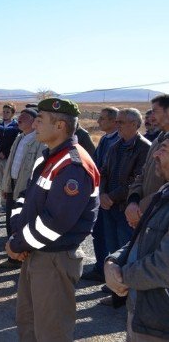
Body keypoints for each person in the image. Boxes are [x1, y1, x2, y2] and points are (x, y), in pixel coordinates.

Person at [6, 98, 100, 342]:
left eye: (40, 120)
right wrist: (17, 236)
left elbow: (55, 222)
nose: (34, 124)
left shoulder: (73, 165)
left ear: (60, 126)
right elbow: (24, 199)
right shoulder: (48, 157)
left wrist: (17, 245)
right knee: (28, 325)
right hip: (35, 253)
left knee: (51, 333)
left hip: (54, 259)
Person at [105, 140, 169, 341]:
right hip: (145, 315)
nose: (156, 154)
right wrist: (113, 261)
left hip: (160, 323)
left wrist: (121, 276)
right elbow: (141, 238)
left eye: (164, 149)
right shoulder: (164, 192)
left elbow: (163, 267)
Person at [98, 108, 151, 306]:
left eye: (121, 122)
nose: (117, 125)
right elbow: (103, 172)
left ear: (135, 125)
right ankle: (117, 292)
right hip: (109, 206)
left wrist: (111, 196)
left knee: (127, 252)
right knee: (113, 251)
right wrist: (103, 194)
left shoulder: (144, 148)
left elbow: (136, 180)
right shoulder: (115, 145)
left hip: (124, 209)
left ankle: (126, 296)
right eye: (117, 122)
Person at [0, 107, 44, 269]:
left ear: (34, 121)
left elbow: (36, 169)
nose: (19, 119)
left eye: (24, 117)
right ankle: (13, 255)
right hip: (12, 186)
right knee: (11, 221)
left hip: (25, 189)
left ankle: (20, 258)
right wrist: (5, 185)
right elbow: (10, 163)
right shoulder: (19, 138)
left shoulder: (40, 141)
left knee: (22, 223)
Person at [83, 107, 120, 282]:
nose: (98, 121)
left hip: (112, 198)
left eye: (102, 118)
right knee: (99, 233)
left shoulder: (120, 141)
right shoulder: (105, 138)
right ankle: (100, 268)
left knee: (113, 238)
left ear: (114, 121)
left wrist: (107, 194)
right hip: (99, 193)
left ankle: (111, 274)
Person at [126, 95, 169, 228]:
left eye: (155, 111)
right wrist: (133, 201)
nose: (151, 117)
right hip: (144, 216)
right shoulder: (157, 141)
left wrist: (141, 208)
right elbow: (142, 174)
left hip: (160, 219)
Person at [0, 103, 21, 185]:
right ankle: (0, 198)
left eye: (7, 112)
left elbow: (15, 142)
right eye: (4, 112)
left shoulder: (16, 127)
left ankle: (7, 197)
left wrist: (5, 153)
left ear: (12, 114)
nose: (5, 114)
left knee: (7, 181)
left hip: (9, 157)